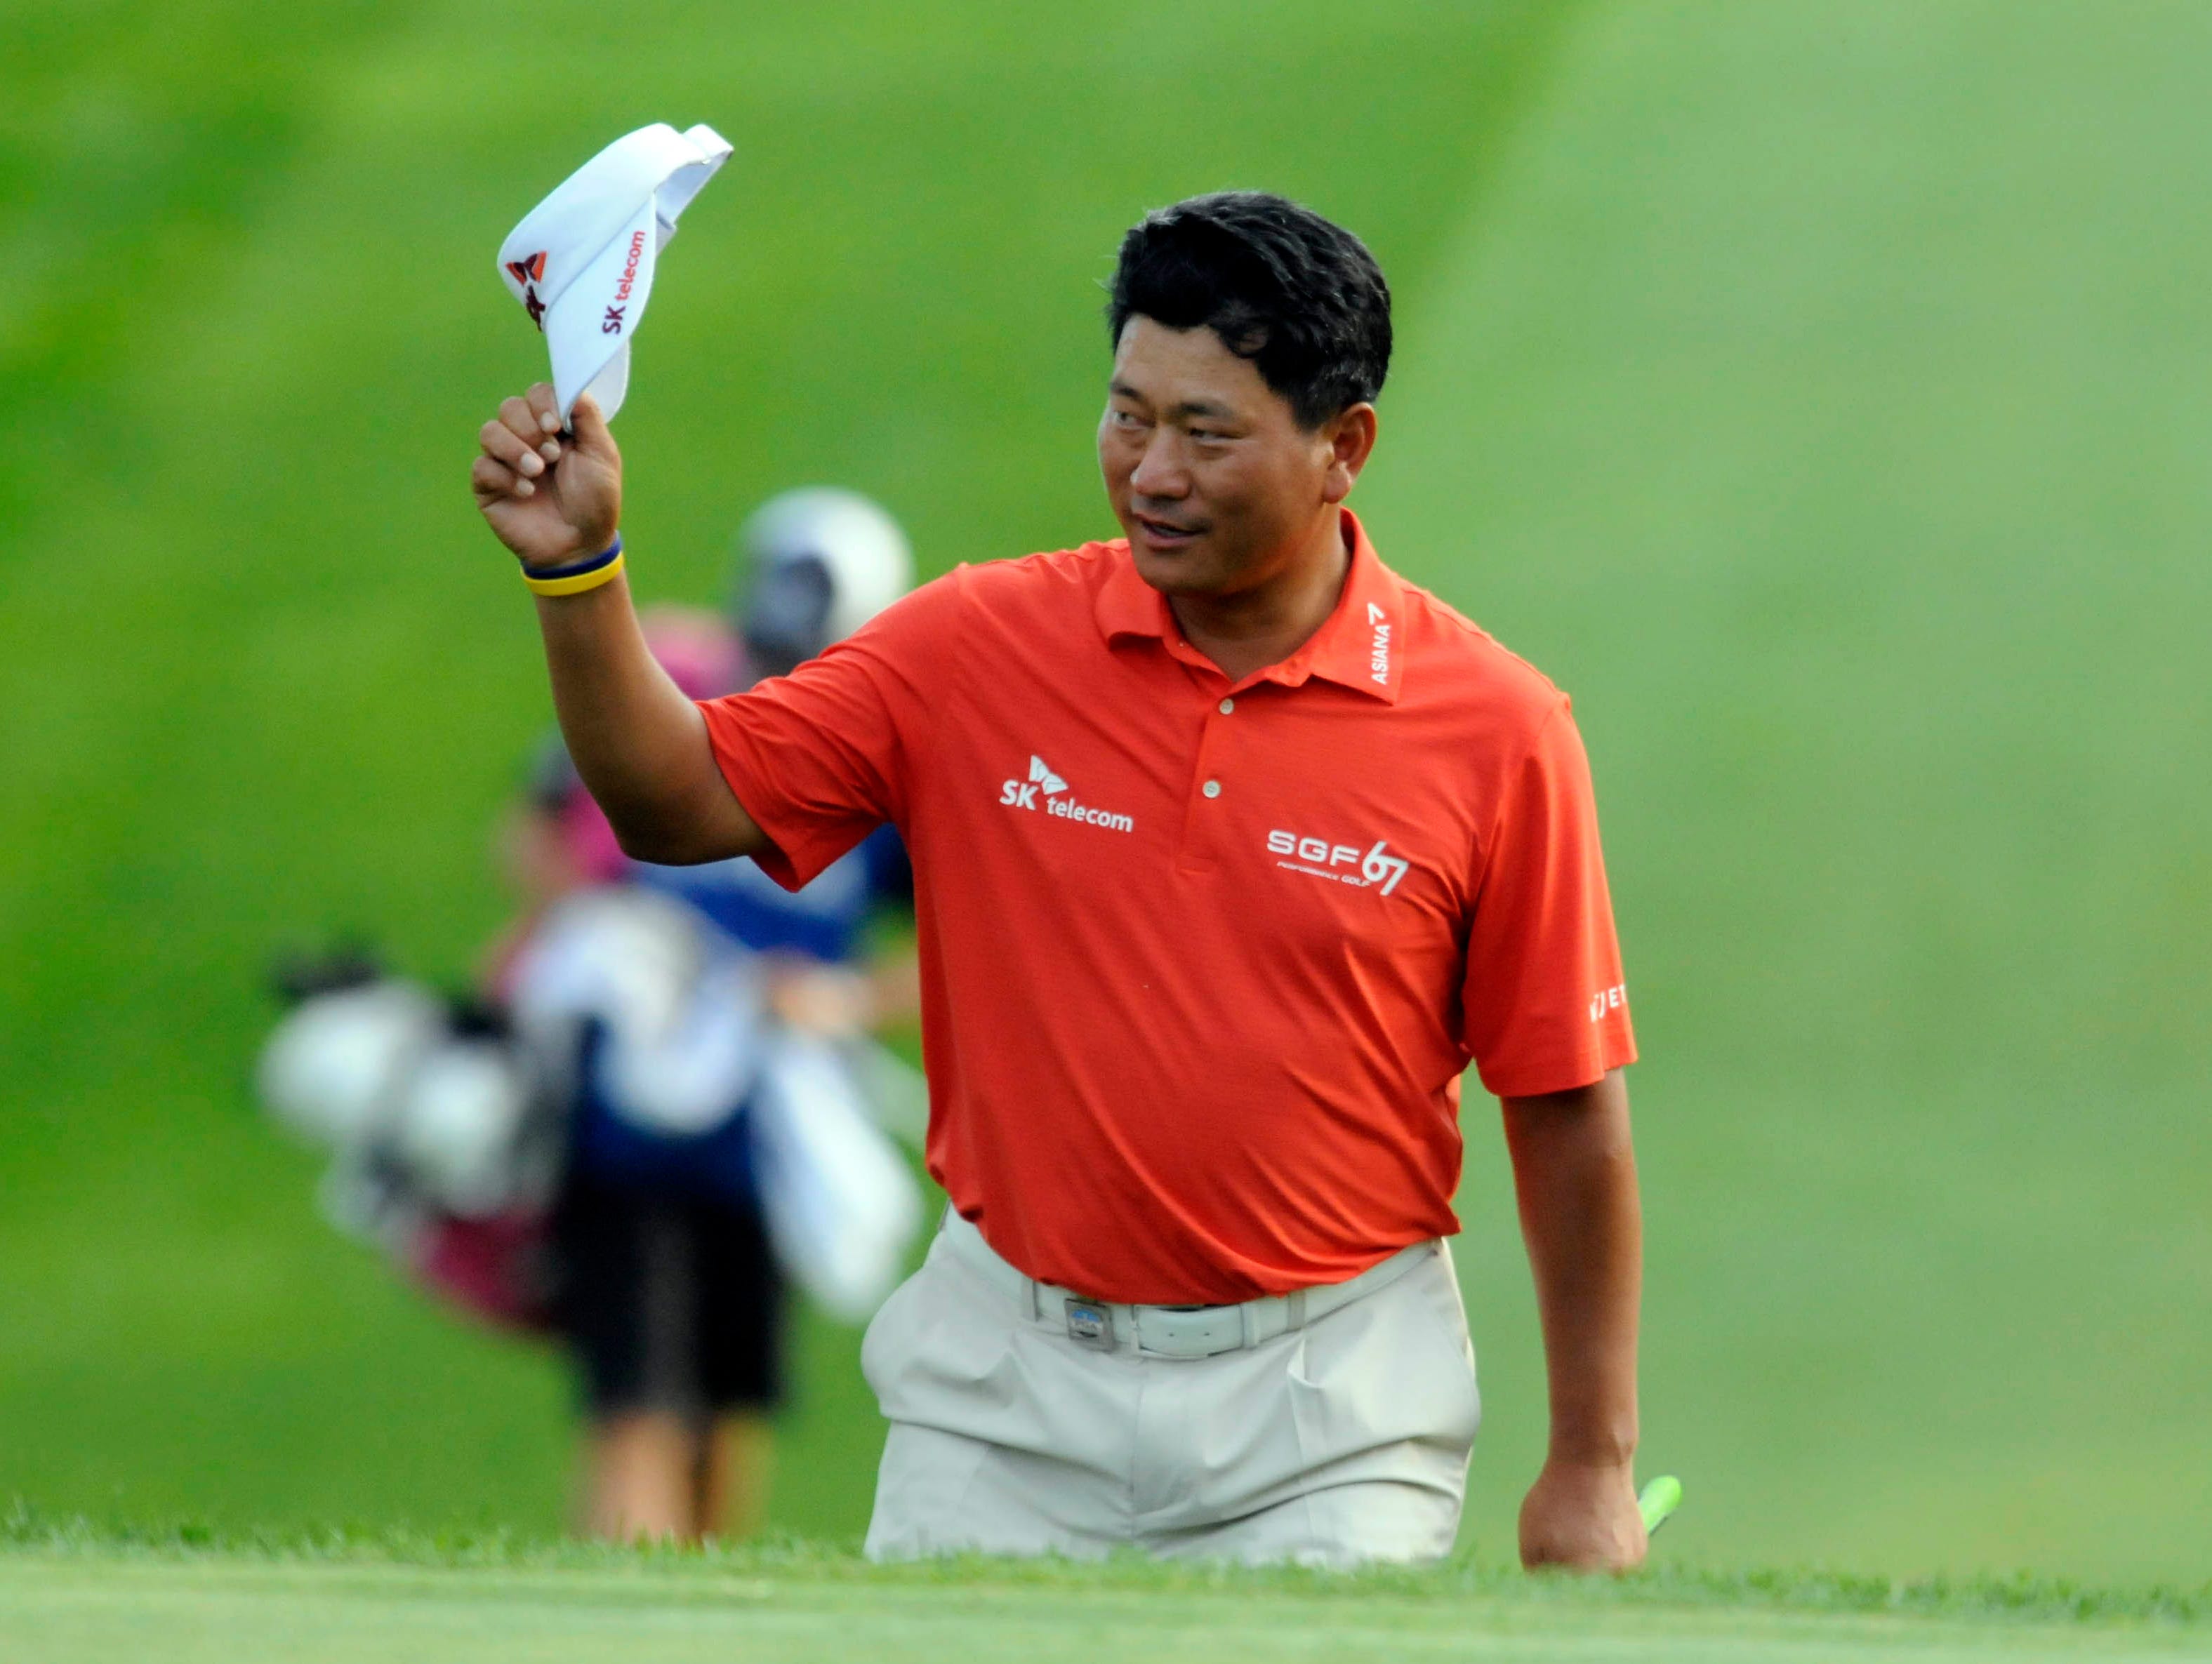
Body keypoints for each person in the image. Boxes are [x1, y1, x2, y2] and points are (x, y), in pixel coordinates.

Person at [470, 191, 1645, 1571]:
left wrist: (1591, 1464)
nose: (1153, 472)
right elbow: (678, 804)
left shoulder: (1497, 731)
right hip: (1001, 1400)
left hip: (1330, 1414)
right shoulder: (979, 645)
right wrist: (580, 573)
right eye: (1128, 415)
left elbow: (1566, 1107)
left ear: (1344, 448)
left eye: (1207, 433)